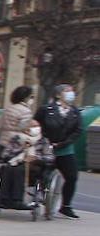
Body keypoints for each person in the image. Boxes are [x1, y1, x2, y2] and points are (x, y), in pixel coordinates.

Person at [35, 83, 83, 219]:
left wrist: (63, 143)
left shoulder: (75, 112)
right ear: (58, 95)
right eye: (67, 91)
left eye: (71, 91)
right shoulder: (46, 109)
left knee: (72, 177)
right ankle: (40, 195)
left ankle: (66, 206)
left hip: (65, 149)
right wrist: (45, 140)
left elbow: (78, 130)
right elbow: (35, 124)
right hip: (46, 148)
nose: (71, 93)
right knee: (42, 174)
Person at [0, 85, 34, 156]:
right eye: (31, 97)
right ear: (26, 98)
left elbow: (0, 125)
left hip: (3, 141)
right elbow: (23, 128)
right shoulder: (26, 111)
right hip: (16, 143)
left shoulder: (8, 108)